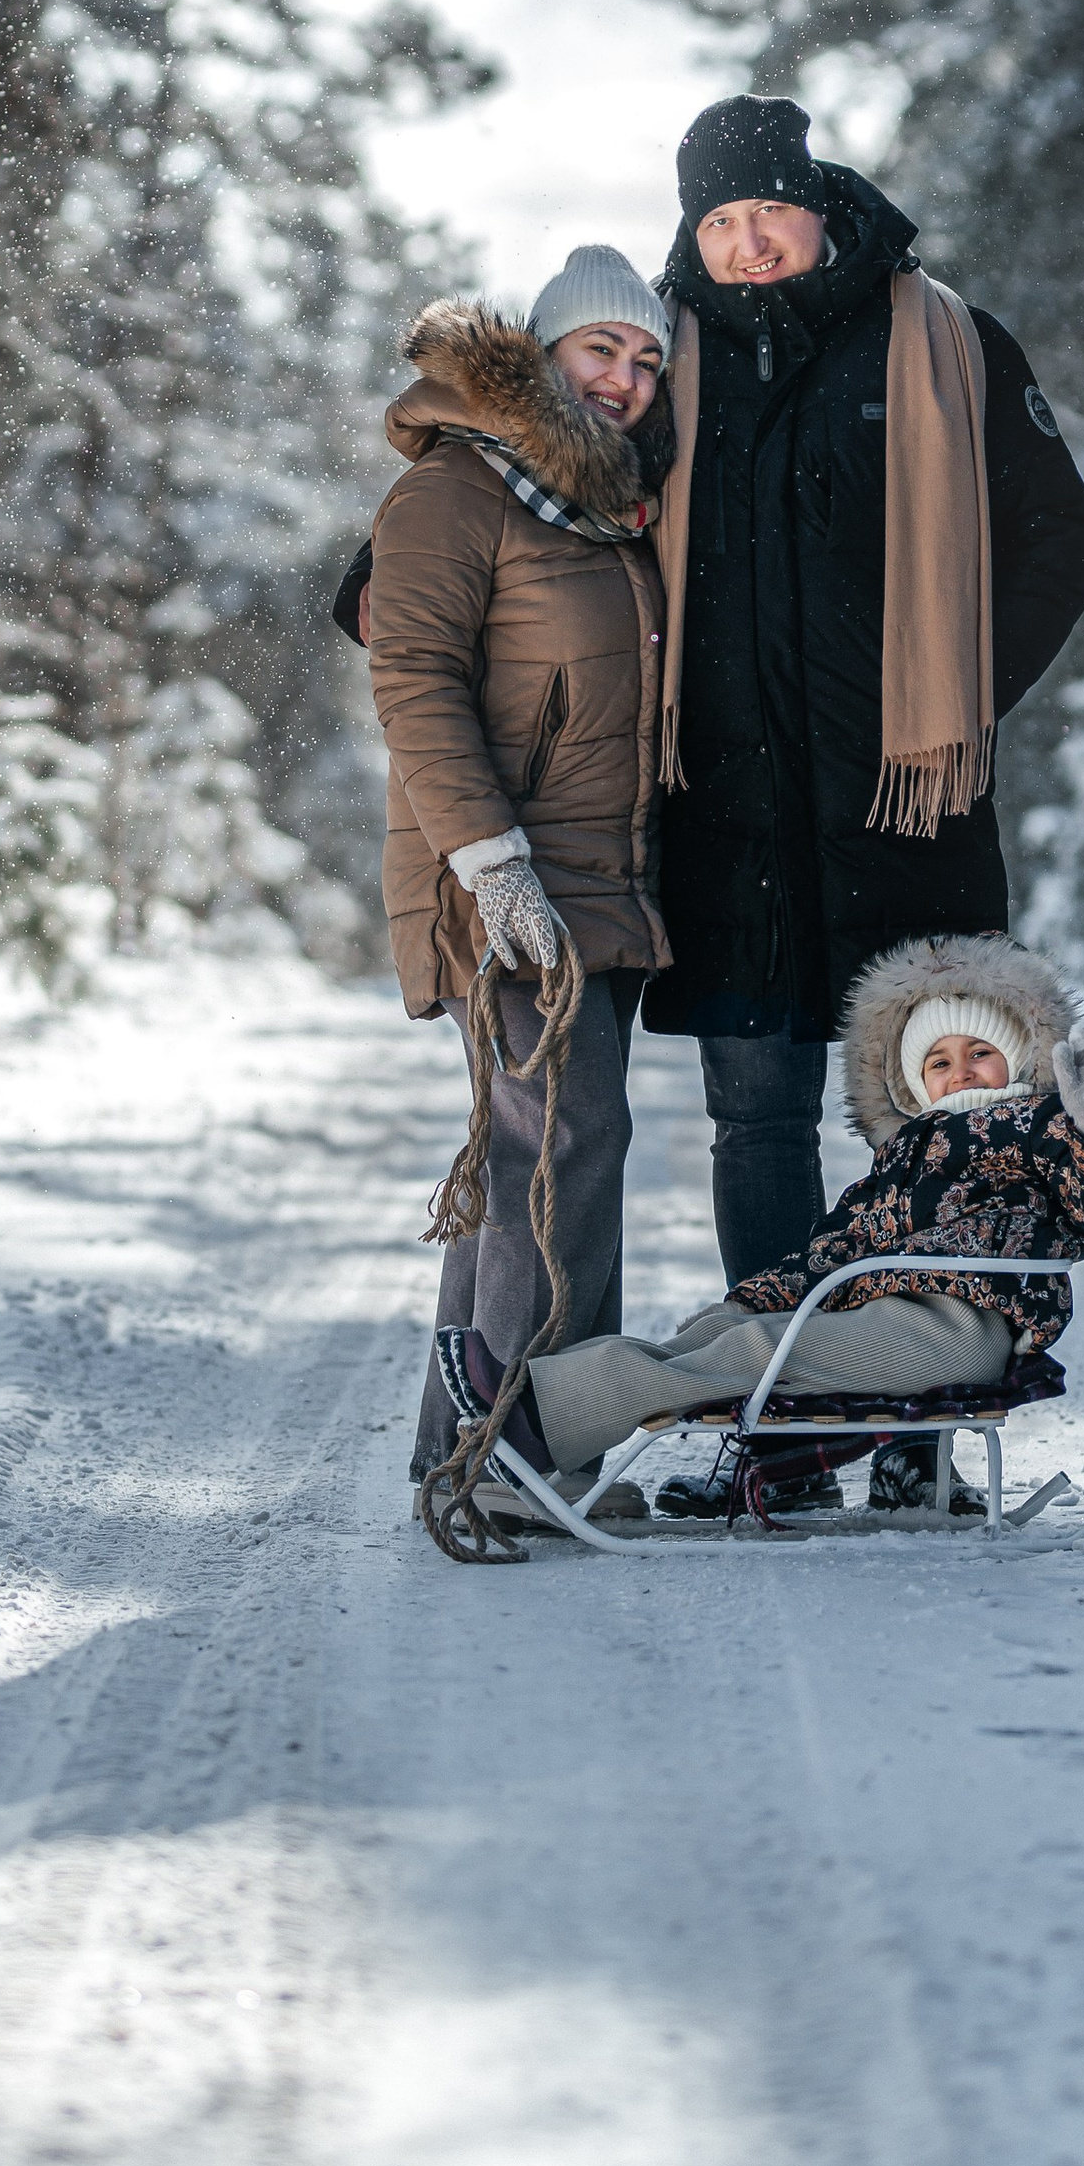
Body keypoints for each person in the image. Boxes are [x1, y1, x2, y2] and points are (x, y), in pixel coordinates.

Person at [649, 96, 1084, 1309]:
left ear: (819, 207)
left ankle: (922, 1411)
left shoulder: (946, 338)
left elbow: (1054, 537)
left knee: (934, 1114)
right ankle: (784, 1413)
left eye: (771, 212)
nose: (750, 243)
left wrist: (957, 697)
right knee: (754, 1119)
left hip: (905, 808)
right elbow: (531, 483)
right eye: (722, 220)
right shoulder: (654, 358)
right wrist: (395, 567)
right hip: (724, 813)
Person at [434, 930, 1084, 1509]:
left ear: (1017, 1061)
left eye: (981, 1052)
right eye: (938, 1060)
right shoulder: (907, 1153)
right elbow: (838, 1250)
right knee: (719, 1330)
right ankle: (534, 1403)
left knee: (759, 1352)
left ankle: (533, 1424)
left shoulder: (1037, 1126)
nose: (961, 1071)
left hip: (968, 1326)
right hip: (893, 1311)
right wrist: (757, 1294)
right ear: (914, 1079)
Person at [355, 245, 675, 1509]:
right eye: (601, 348)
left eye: (647, 360)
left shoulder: (601, 508)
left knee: (535, 1158)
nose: (625, 377)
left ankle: (476, 1448)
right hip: (503, 884)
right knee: (565, 1146)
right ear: (541, 355)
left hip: (597, 881)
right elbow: (413, 683)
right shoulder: (457, 491)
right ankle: (522, 1449)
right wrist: (493, 868)